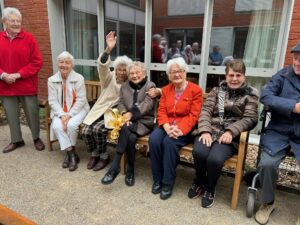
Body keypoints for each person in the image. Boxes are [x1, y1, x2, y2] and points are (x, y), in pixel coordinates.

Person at [190, 59, 258, 208]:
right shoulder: (217, 91)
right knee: (199, 152)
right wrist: (205, 130)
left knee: (214, 159)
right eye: (231, 75)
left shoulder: (251, 95)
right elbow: (206, 111)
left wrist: (231, 131)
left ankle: (209, 187)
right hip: (211, 129)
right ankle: (199, 181)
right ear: (226, 76)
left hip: (230, 136)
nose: (234, 79)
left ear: (244, 77)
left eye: (238, 75)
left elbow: (251, 118)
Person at [255, 43, 300, 225]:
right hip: (279, 129)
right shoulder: (282, 75)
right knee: (267, 163)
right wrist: (292, 106)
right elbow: (266, 96)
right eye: (296, 58)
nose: (297, 62)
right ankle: (268, 203)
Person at [149, 57, 203, 200]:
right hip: (167, 125)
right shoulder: (166, 90)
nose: (177, 74)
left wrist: (178, 129)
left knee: (169, 142)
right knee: (154, 140)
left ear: (185, 72)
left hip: (185, 128)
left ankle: (167, 182)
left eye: (180, 71)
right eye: (173, 72)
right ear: (169, 75)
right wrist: (167, 128)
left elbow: (194, 115)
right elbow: (161, 111)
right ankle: (157, 178)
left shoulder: (195, 90)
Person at [81, 31, 132, 171]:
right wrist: (108, 49)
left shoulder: (130, 84)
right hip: (101, 109)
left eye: (124, 70)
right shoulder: (109, 78)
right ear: (115, 69)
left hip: (115, 114)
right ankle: (94, 154)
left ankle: (104, 156)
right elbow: (102, 67)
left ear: (128, 72)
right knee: (85, 130)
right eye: (119, 69)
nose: (121, 72)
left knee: (97, 129)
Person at [101, 61, 156, 186]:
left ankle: (115, 167)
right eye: (132, 73)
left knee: (126, 129)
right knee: (130, 136)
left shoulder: (150, 85)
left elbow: (147, 105)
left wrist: (131, 114)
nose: (134, 75)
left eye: (137, 72)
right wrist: (125, 113)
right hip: (128, 122)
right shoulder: (124, 86)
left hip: (144, 122)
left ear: (143, 74)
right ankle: (130, 168)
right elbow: (120, 103)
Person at [0, 7, 45, 153]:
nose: (16, 23)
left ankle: (36, 138)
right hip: (6, 86)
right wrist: (3, 75)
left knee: (32, 114)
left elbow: (37, 62)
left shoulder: (29, 38)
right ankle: (17, 140)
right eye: (12, 20)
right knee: (11, 115)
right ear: (4, 22)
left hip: (26, 84)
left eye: (18, 21)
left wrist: (19, 74)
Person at [48, 51, 90, 172]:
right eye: (61, 62)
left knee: (71, 125)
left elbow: (81, 100)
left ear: (72, 65)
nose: (64, 65)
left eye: (67, 62)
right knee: (57, 126)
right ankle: (72, 154)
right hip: (60, 111)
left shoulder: (79, 78)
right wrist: (62, 115)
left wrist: (69, 115)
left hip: (78, 109)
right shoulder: (51, 80)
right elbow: (52, 101)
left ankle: (69, 154)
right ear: (57, 64)